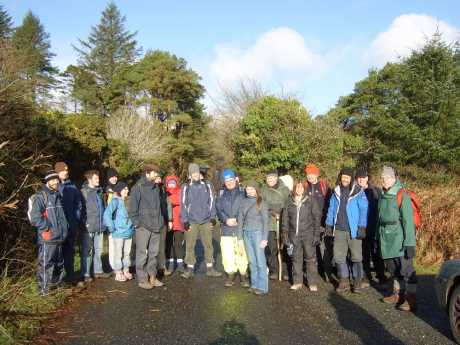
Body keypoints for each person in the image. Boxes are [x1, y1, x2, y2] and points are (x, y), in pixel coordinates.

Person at [378, 166, 417, 312]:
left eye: (387, 177)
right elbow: (379, 219)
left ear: (394, 179)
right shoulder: (383, 194)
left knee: (406, 270)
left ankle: (411, 298)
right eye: (382, 178)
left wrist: (410, 243)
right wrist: (377, 238)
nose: (384, 180)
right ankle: (397, 294)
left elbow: (408, 220)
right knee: (393, 269)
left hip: (399, 238)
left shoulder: (402, 195)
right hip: (386, 237)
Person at [325, 167, 369, 292]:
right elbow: (331, 208)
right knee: (339, 257)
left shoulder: (358, 191)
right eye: (343, 177)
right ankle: (344, 281)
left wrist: (362, 226)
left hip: (353, 230)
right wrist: (328, 224)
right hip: (338, 229)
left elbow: (364, 209)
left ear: (351, 179)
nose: (345, 179)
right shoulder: (336, 191)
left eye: (348, 177)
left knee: (356, 257)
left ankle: (357, 281)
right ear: (340, 177)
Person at [28, 171, 69, 295]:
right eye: (53, 180)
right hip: (48, 238)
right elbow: (34, 217)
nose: (56, 182)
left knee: (59, 264)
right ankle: (44, 292)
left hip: (59, 237)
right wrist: (47, 227)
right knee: (46, 265)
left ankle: (57, 288)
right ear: (47, 182)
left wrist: (64, 228)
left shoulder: (57, 195)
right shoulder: (40, 196)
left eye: (56, 180)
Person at [129, 164, 168, 289]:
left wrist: (161, 221)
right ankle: (142, 279)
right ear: (147, 173)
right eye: (154, 173)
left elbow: (159, 207)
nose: (156, 175)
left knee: (154, 254)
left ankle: (152, 276)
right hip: (143, 227)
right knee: (141, 254)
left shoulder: (156, 187)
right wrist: (137, 223)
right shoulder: (137, 188)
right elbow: (132, 209)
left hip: (157, 225)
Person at [180, 163, 221, 279]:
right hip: (191, 220)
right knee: (190, 245)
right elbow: (183, 204)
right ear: (190, 175)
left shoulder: (207, 185)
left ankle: (210, 268)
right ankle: (190, 269)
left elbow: (212, 201)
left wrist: (213, 218)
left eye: (197, 172)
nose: (196, 175)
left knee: (208, 244)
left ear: (199, 173)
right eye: (193, 173)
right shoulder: (186, 187)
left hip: (206, 220)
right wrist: (185, 220)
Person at [282, 182, 322, 291]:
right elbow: (285, 220)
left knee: (310, 259)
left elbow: (317, 218)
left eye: (301, 187)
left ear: (304, 189)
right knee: (296, 258)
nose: (299, 189)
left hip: (308, 234)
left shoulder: (310, 200)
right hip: (294, 235)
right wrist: (285, 235)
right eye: (297, 187)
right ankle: (297, 282)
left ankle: (312, 283)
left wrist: (316, 235)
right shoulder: (289, 202)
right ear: (294, 188)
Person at [216, 169, 248, 287]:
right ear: (224, 182)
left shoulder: (243, 194)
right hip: (226, 229)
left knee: (242, 252)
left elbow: (245, 209)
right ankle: (230, 274)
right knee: (227, 253)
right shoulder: (221, 196)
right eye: (227, 181)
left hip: (240, 228)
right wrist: (225, 220)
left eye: (231, 180)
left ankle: (244, 275)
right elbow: (218, 210)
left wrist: (238, 219)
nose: (229, 182)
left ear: (236, 179)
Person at [355, 167, 385, 286]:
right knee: (364, 253)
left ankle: (381, 276)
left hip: (374, 226)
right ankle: (366, 277)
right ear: (356, 179)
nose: (361, 179)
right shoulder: (354, 191)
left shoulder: (376, 191)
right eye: (359, 178)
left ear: (367, 178)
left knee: (377, 253)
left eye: (363, 177)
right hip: (361, 228)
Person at [238, 180, 269, 295]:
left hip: (258, 234)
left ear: (256, 190)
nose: (249, 190)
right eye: (247, 188)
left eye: (251, 188)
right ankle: (254, 284)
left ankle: (263, 287)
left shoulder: (262, 203)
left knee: (260, 261)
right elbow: (240, 221)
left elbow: (266, 221)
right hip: (246, 233)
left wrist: (265, 238)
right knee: (251, 261)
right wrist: (240, 238)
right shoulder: (243, 202)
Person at [55, 162, 82, 284]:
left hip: (71, 224)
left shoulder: (72, 186)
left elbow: (78, 203)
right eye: (62, 170)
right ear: (57, 172)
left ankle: (71, 277)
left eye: (66, 170)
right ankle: (58, 280)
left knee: (69, 251)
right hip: (58, 226)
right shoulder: (53, 186)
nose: (65, 172)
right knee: (57, 253)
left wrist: (76, 217)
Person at [80, 170, 110, 283]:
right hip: (88, 226)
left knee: (98, 250)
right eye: (96, 178)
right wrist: (84, 222)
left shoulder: (99, 191)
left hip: (99, 225)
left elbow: (103, 207)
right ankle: (86, 273)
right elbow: (80, 209)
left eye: (98, 178)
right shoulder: (83, 192)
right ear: (89, 179)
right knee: (87, 251)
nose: (98, 180)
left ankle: (98, 271)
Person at [305, 164, 333, 282]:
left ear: (317, 174)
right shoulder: (304, 186)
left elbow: (330, 204)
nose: (310, 176)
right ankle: (313, 273)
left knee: (324, 248)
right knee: (311, 248)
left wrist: (327, 222)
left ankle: (327, 272)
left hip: (322, 222)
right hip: (308, 223)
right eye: (308, 174)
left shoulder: (324, 186)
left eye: (312, 173)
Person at [261, 170, 290, 280]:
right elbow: (260, 205)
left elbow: (289, 205)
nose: (270, 180)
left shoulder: (285, 190)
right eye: (268, 178)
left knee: (283, 247)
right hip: (269, 223)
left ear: (277, 178)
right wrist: (271, 212)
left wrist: (282, 214)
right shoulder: (263, 190)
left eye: (272, 177)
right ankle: (274, 270)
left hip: (283, 223)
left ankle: (285, 271)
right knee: (271, 248)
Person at [103, 182, 134, 282]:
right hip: (118, 232)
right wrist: (112, 228)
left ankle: (126, 269)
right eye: (124, 189)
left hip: (129, 231)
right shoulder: (115, 201)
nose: (127, 191)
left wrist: (133, 226)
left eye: (127, 189)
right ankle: (118, 271)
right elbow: (107, 214)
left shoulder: (129, 200)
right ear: (119, 191)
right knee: (118, 253)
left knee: (127, 253)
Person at [164, 175, 185, 274]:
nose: (171, 185)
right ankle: (170, 263)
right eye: (169, 183)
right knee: (168, 243)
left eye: (173, 183)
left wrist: (169, 200)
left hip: (179, 222)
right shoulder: (164, 192)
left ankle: (180, 263)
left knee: (178, 243)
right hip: (167, 222)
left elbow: (180, 201)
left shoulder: (180, 192)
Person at [154, 171, 170, 277]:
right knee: (152, 247)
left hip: (163, 221)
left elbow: (168, 206)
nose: (159, 180)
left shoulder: (164, 190)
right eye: (157, 178)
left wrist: (170, 220)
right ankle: (152, 268)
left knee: (161, 246)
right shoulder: (148, 190)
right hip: (152, 222)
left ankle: (162, 267)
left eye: (160, 178)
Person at [104, 168, 118, 274]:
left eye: (115, 176)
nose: (114, 178)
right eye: (112, 176)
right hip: (111, 221)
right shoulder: (106, 191)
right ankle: (113, 265)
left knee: (119, 244)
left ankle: (118, 265)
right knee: (112, 244)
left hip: (119, 221)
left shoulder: (119, 188)